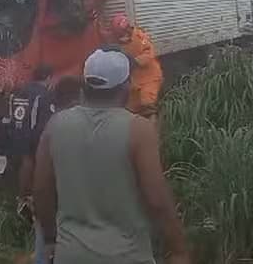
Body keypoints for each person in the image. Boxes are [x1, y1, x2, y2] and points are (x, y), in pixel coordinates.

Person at [34, 48, 190, 264]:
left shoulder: (56, 126)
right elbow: (157, 200)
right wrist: (178, 249)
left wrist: (52, 239)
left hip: (70, 254)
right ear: (125, 86)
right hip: (126, 256)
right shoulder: (138, 130)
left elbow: (41, 191)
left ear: (85, 84)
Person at [15, 76, 83, 264]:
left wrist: (24, 196)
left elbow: (29, 162)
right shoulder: (87, 128)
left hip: (48, 205)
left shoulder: (46, 127)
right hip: (80, 209)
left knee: (44, 250)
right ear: (80, 97)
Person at [109, 15, 164, 122]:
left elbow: (149, 54)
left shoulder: (140, 36)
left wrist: (135, 61)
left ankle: (153, 133)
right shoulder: (116, 43)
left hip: (150, 78)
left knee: (147, 104)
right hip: (133, 81)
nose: (123, 38)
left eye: (124, 34)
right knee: (131, 108)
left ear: (128, 28)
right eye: (120, 35)